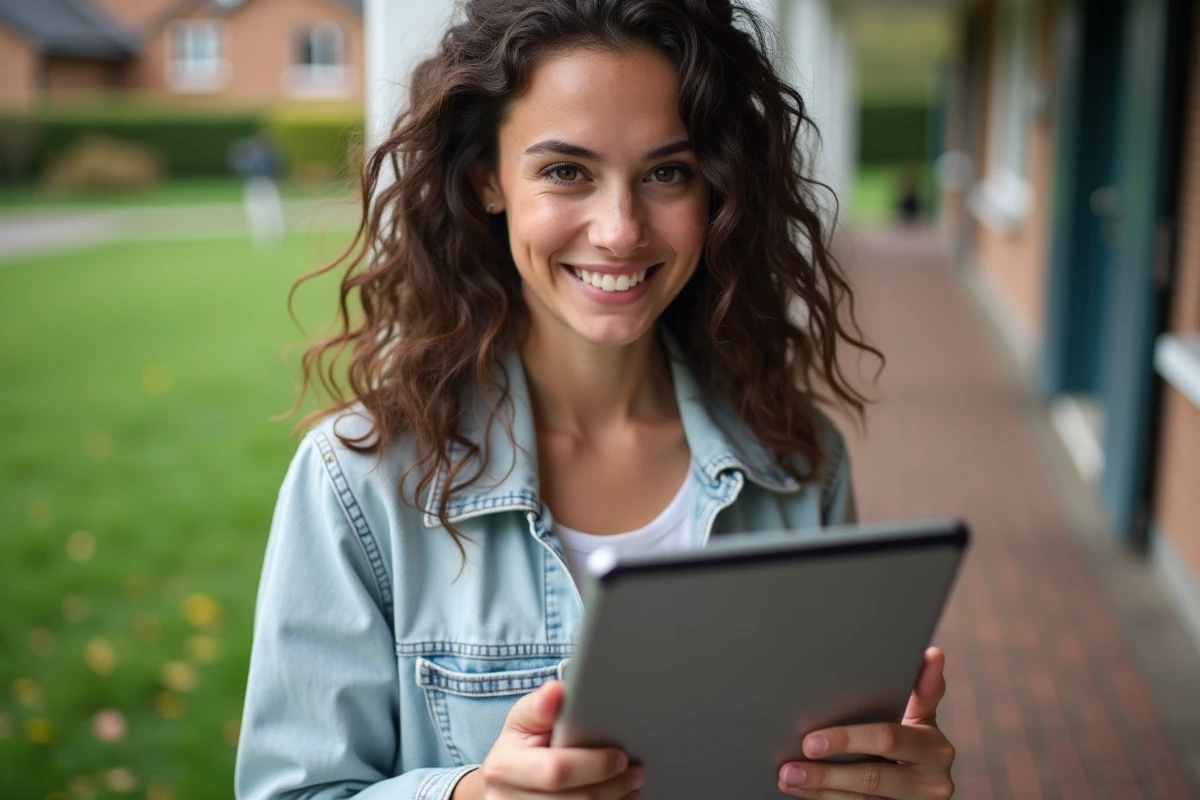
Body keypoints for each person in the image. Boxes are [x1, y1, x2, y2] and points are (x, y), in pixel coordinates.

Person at [235, 1, 957, 799]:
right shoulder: (358, 479)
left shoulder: (798, 459)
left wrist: (876, 784)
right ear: (487, 180)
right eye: (566, 171)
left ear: (716, 189)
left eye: (667, 173)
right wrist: (472, 795)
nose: (620, 230)